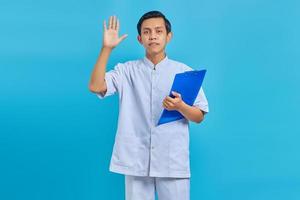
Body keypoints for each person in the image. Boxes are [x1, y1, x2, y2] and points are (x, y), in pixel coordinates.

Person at [89, 10, 209, 200]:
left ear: (168, 36)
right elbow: (96, 86)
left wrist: (180, 106)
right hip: (136, 160)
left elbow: (199, 116)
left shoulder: (184, 72)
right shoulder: (126, 71)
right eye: (147, 32)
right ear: (139, 38)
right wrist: (107, 49)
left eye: (158, 31)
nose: (152, 36)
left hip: (172, 161)